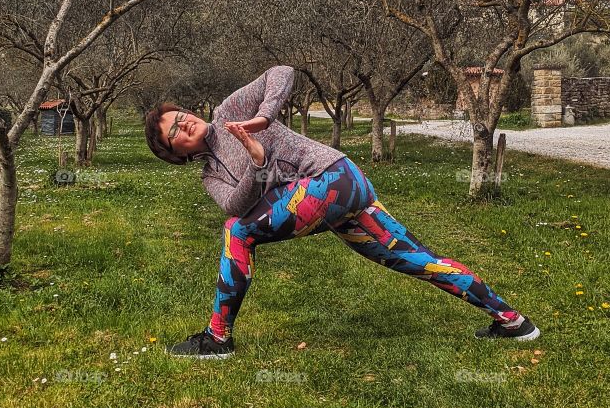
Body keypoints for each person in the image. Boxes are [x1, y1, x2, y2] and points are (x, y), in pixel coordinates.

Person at [144, 65, 540, 358]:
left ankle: (217, 338)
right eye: (173, 131)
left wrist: (265, 117)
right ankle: (514, 322)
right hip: (335, 199)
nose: (184, 124)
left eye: (181, 117)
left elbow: (281, 72)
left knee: (237, 232)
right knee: (417, 260)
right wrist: (258, 162)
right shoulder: (210, 177)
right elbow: (238, 203)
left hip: (333, 177)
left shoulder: (230, 110)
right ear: (173, 153)